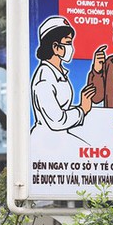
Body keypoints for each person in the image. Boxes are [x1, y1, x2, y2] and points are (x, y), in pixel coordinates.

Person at [30, 16, 96, 146]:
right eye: (68, 42)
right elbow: (57, 120)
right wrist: (82, 109)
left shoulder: (58, 73)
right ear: (55, 47)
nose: (71, 48)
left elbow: (62, 108)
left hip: (58, 139)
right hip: (46, 144)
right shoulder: (44, 78)